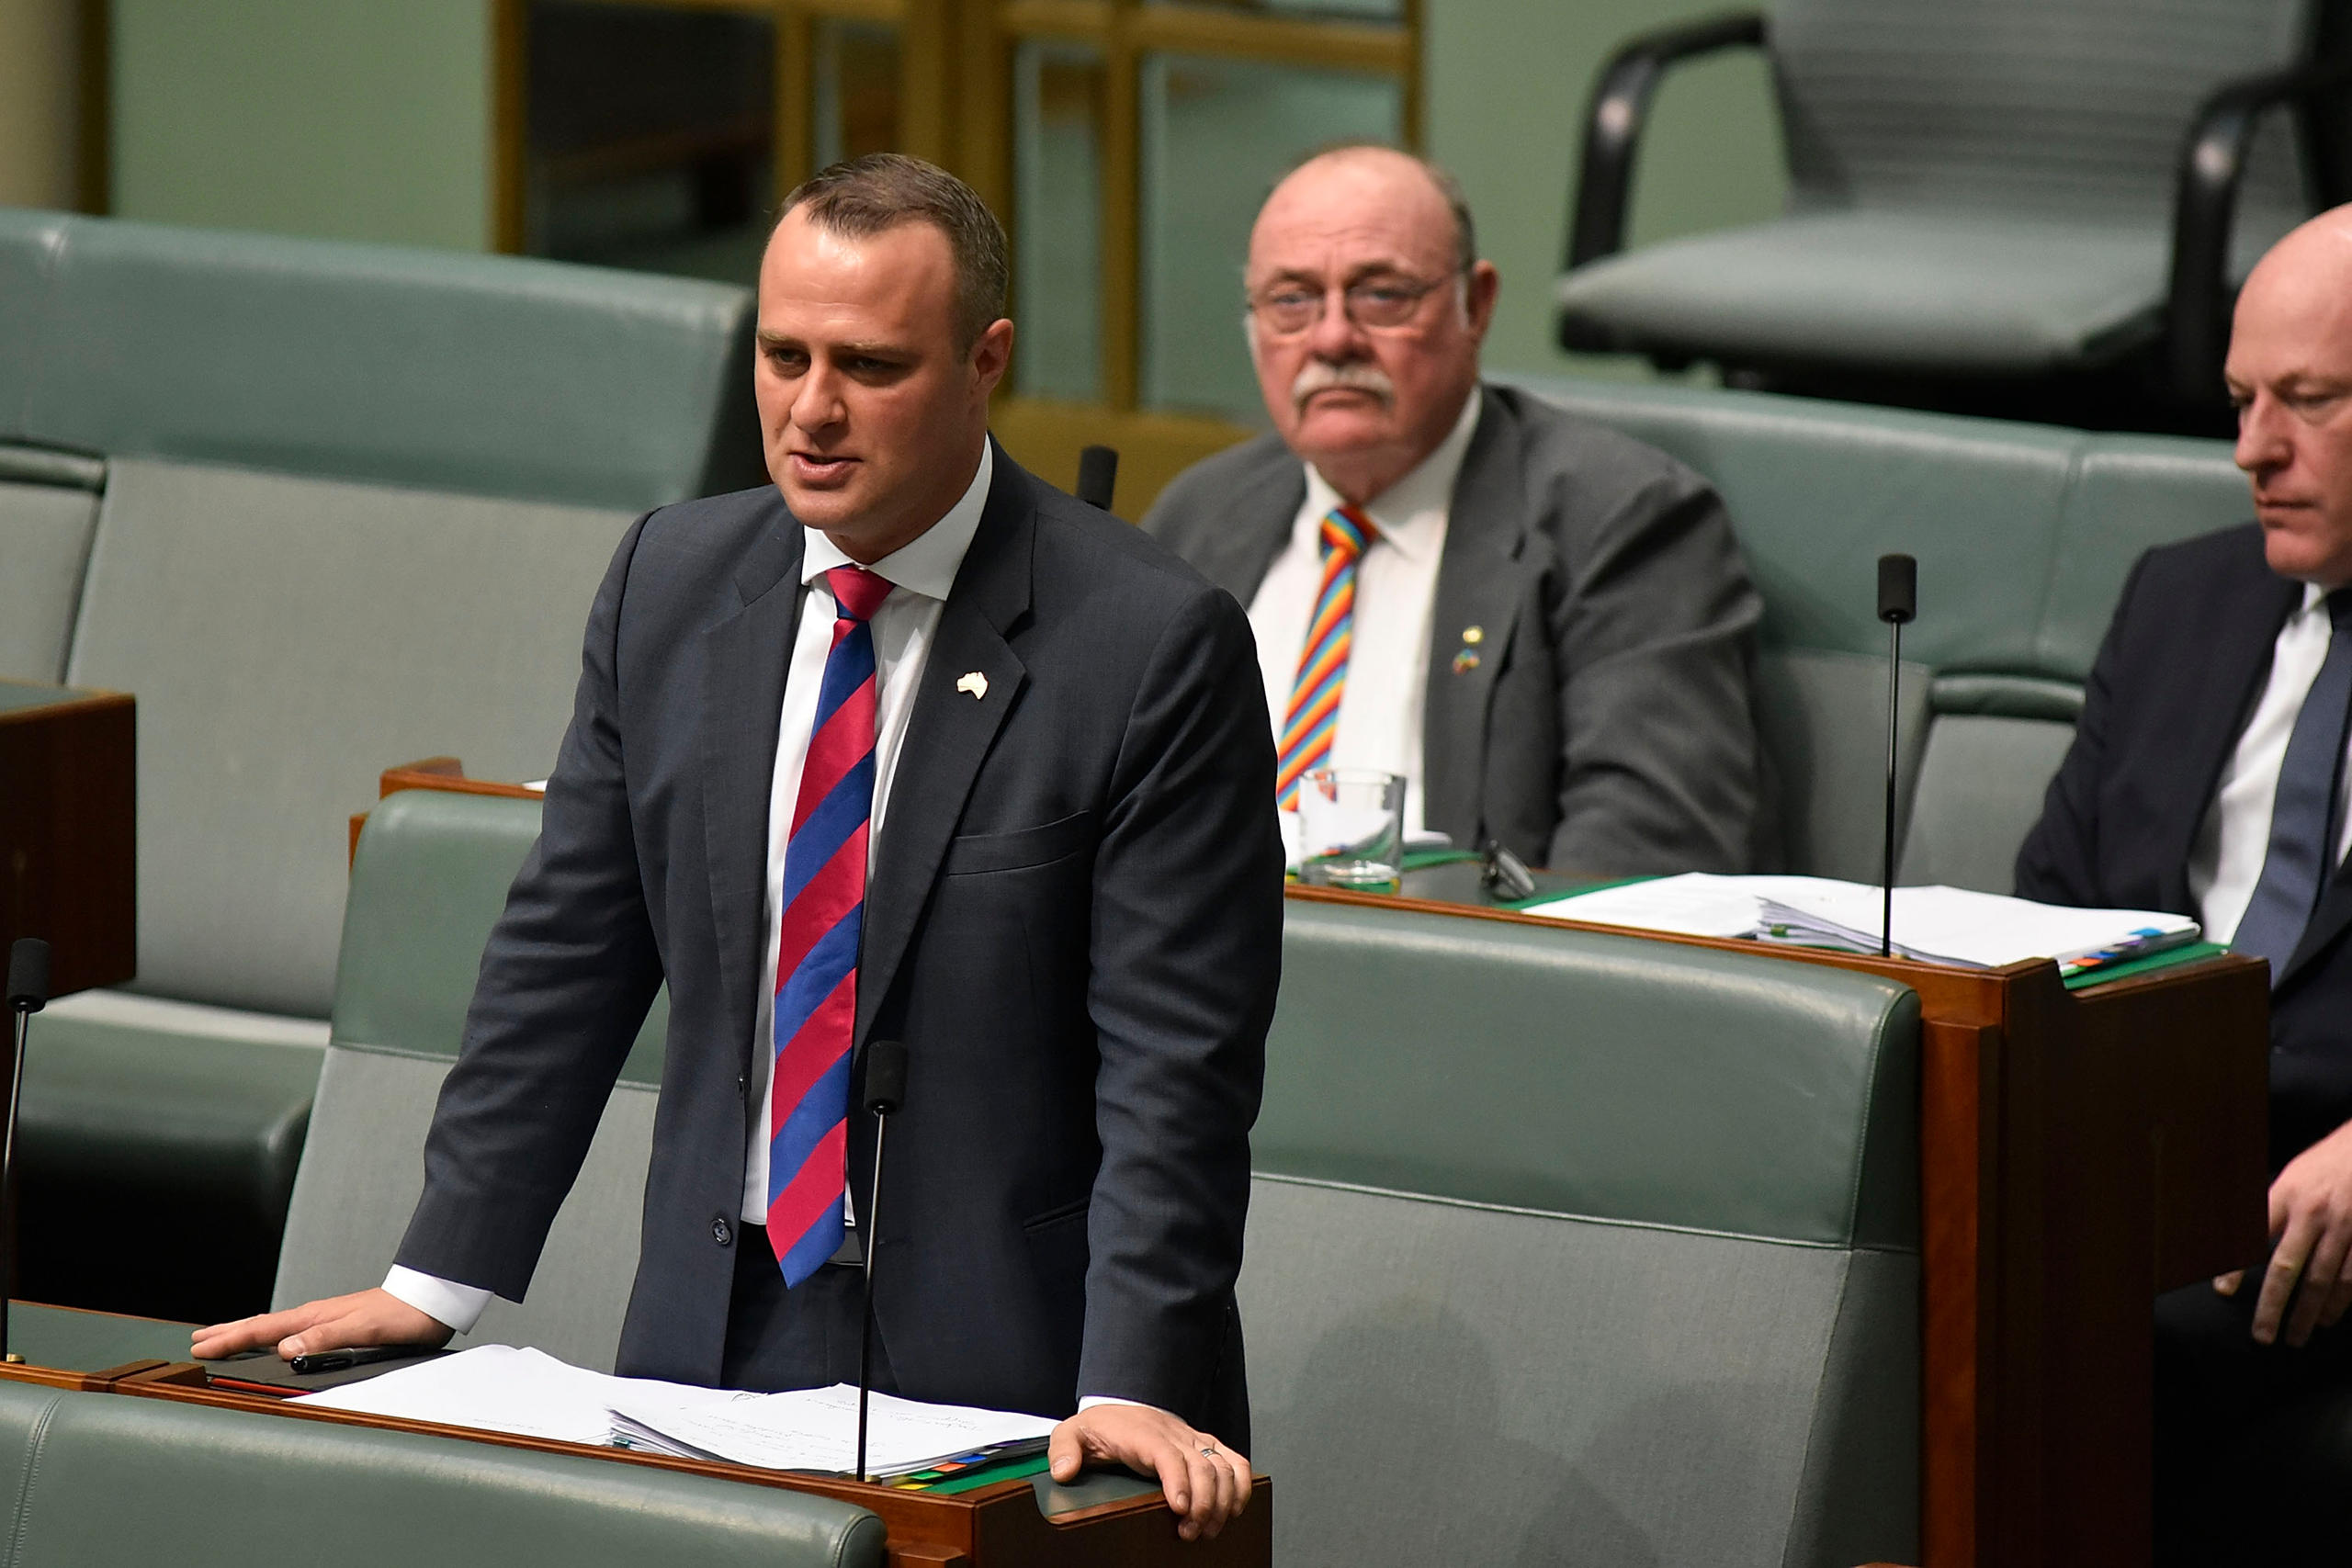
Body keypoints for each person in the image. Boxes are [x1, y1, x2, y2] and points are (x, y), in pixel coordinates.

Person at [193, 154, 1279, 1540]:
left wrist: (1132, 1372)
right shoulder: (671, 582)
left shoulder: (1144, 642)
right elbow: (565, 957)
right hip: (708, 1334)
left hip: (1029, 1377)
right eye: (782, 354)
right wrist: (437, 1275)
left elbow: (1178, 1066)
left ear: (985, 360)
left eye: (870, 366)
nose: (811, 410)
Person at [1143, 144, 1773, 874]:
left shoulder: (1620, 523)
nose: (1333, 336)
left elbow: (1639, 864)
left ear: (1476, 305)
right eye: (1291, 300)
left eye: (1381, 294)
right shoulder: (1197, 517)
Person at [2014, 205, 2352, 1560]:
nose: (2251, 450)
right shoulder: (2184, 600)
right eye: (2239, 400)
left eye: (2310, 402)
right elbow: (2047, 912)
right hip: (2135, 1178)